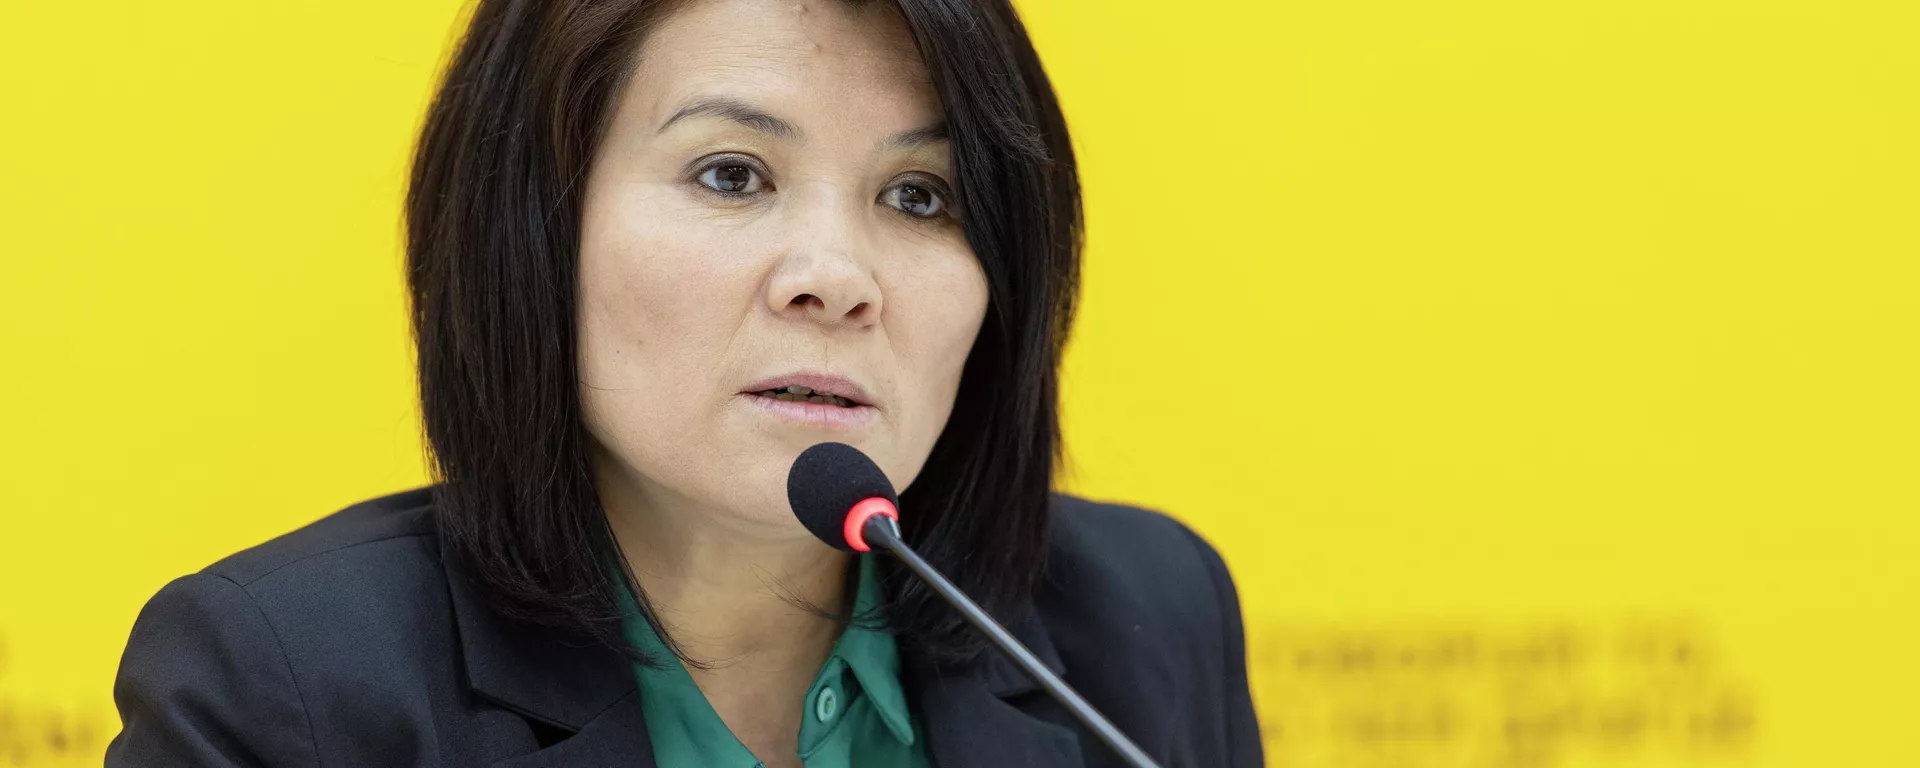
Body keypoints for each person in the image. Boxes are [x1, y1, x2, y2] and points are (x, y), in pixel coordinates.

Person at [106, 0, 1262, 765]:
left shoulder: (1147, 622)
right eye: (732, 174)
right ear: (536, 229)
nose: (836, 278)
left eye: (919, 196)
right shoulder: (290, 694)